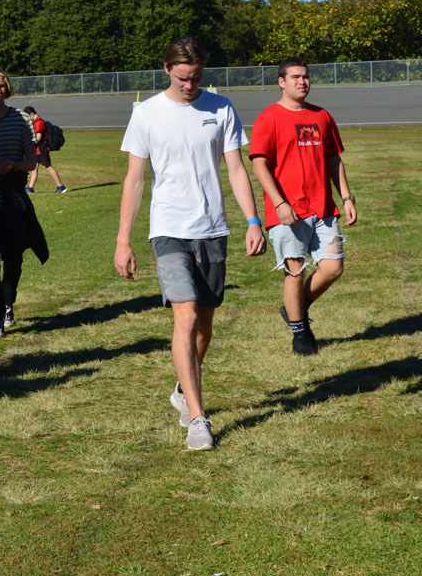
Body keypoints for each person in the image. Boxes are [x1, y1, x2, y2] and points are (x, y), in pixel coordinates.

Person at [115, 36, 267, 451]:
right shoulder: (146, 113)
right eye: (182, 77)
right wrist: (123, 240)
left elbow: (236, 169)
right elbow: (134, 179)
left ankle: (183, 389)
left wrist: (253, 221)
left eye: (196, 77)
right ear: (166, 69)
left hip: (212, 229)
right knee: (184, 317)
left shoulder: (221, 108)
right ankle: (198, 419)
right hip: (167, 229)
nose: (189, 85)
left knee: (203, 325)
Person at [249, 57, 358, 357]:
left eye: (306, 76)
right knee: (294, 271)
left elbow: (334, 159)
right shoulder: (269, 118)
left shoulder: (322, 116)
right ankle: (300, 334)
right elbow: (259, 165)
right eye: (295, 77)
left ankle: (295, 308)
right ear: (281, 82)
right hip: (288, 211)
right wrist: (279, 203)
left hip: (323, 208)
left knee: (333, 267)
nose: (302, 82)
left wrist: (347, 198)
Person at [0, 67, 44, 338]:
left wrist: (13, 165)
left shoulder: (20, 118)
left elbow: (32, 161)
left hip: (14, 200)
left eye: (2, 86)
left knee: (14, 258)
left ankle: (7, 303)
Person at [23, 106, 66, 194]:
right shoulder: (37, 122)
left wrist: (29, 142)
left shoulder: (39, 123)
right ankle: (30, 188)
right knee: (34, 168)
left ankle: (61, 186)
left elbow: (38, 137)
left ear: (32, 114)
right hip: (37, 150)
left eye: (28, 117)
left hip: (42, 150)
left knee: (48, 166)